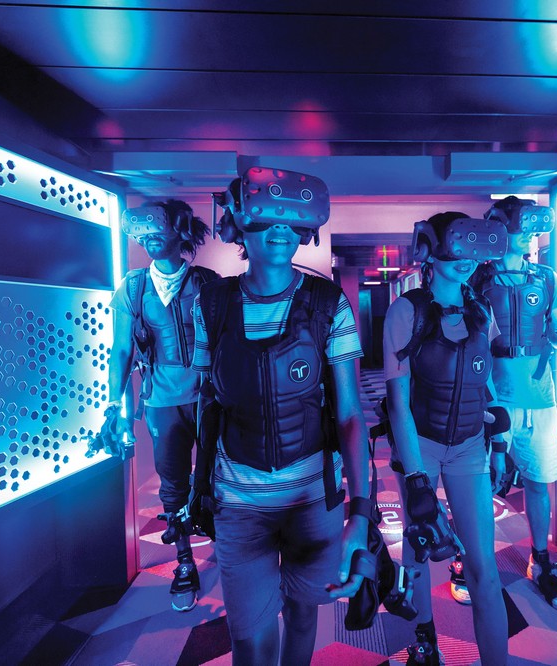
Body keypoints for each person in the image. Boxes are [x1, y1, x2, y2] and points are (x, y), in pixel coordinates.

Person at [192, 167, 370, 665]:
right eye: (267, 218)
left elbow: (351, 413)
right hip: (239, 500)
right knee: (249, 638)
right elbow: (206, 400)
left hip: (312, 497)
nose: (280, 231)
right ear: (239, 224)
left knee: (304, 614)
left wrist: (360, 511)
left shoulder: (328, 303)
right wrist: (195, 484)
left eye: (291, 221)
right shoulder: (211, 304)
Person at [470, 195, 557, 612]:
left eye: (534, 229)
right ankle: (471, 559)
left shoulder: (546, 278)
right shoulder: (474, 280)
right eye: (522, 227)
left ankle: (540, 558)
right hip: (490, 398)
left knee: (539, 481)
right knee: (478, 484)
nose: (530, 236)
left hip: (540, 398)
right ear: (499, 228)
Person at [383, 212, 509, 666]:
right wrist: (416, 479)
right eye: (455, 248)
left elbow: (485, 380)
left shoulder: (482, 310)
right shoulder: (406, 311)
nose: (464, 259)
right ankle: (424, 640)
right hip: (421, 443)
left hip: (470, 446)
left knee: (484, 569)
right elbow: (398, 403)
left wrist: (499, 441)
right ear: (430, 251)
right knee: (418, 552)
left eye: (471, 250)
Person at [97, 199, 220, 613]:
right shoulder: (133, 288)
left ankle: (230, 546)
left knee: (218, 476)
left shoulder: (207, 283)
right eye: (143, 233)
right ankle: (184, 561)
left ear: (180, 232)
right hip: (162, 400)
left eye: (157, 230)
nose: (149, 238)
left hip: (209, 398)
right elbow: (120, 351)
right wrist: (113, 405)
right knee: (172, 484)